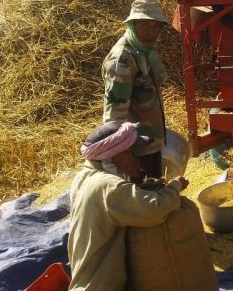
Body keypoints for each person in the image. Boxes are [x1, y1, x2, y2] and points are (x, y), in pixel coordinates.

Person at [67, 121, 189, 290]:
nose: (135, 161)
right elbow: (156, 209)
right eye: (130, 154)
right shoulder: (109, 187)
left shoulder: (83, 177)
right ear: (111, 158)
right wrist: (175, 187)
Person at [102, 0, 168, 179]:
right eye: (145, 26)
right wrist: (123, 156)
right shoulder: (123, 60)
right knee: (142, 203)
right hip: (135, 153)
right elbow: (114, 115)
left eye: (156, 27)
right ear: (132, 25)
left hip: (149, 144)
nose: (151, 33)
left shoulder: (145, 53)